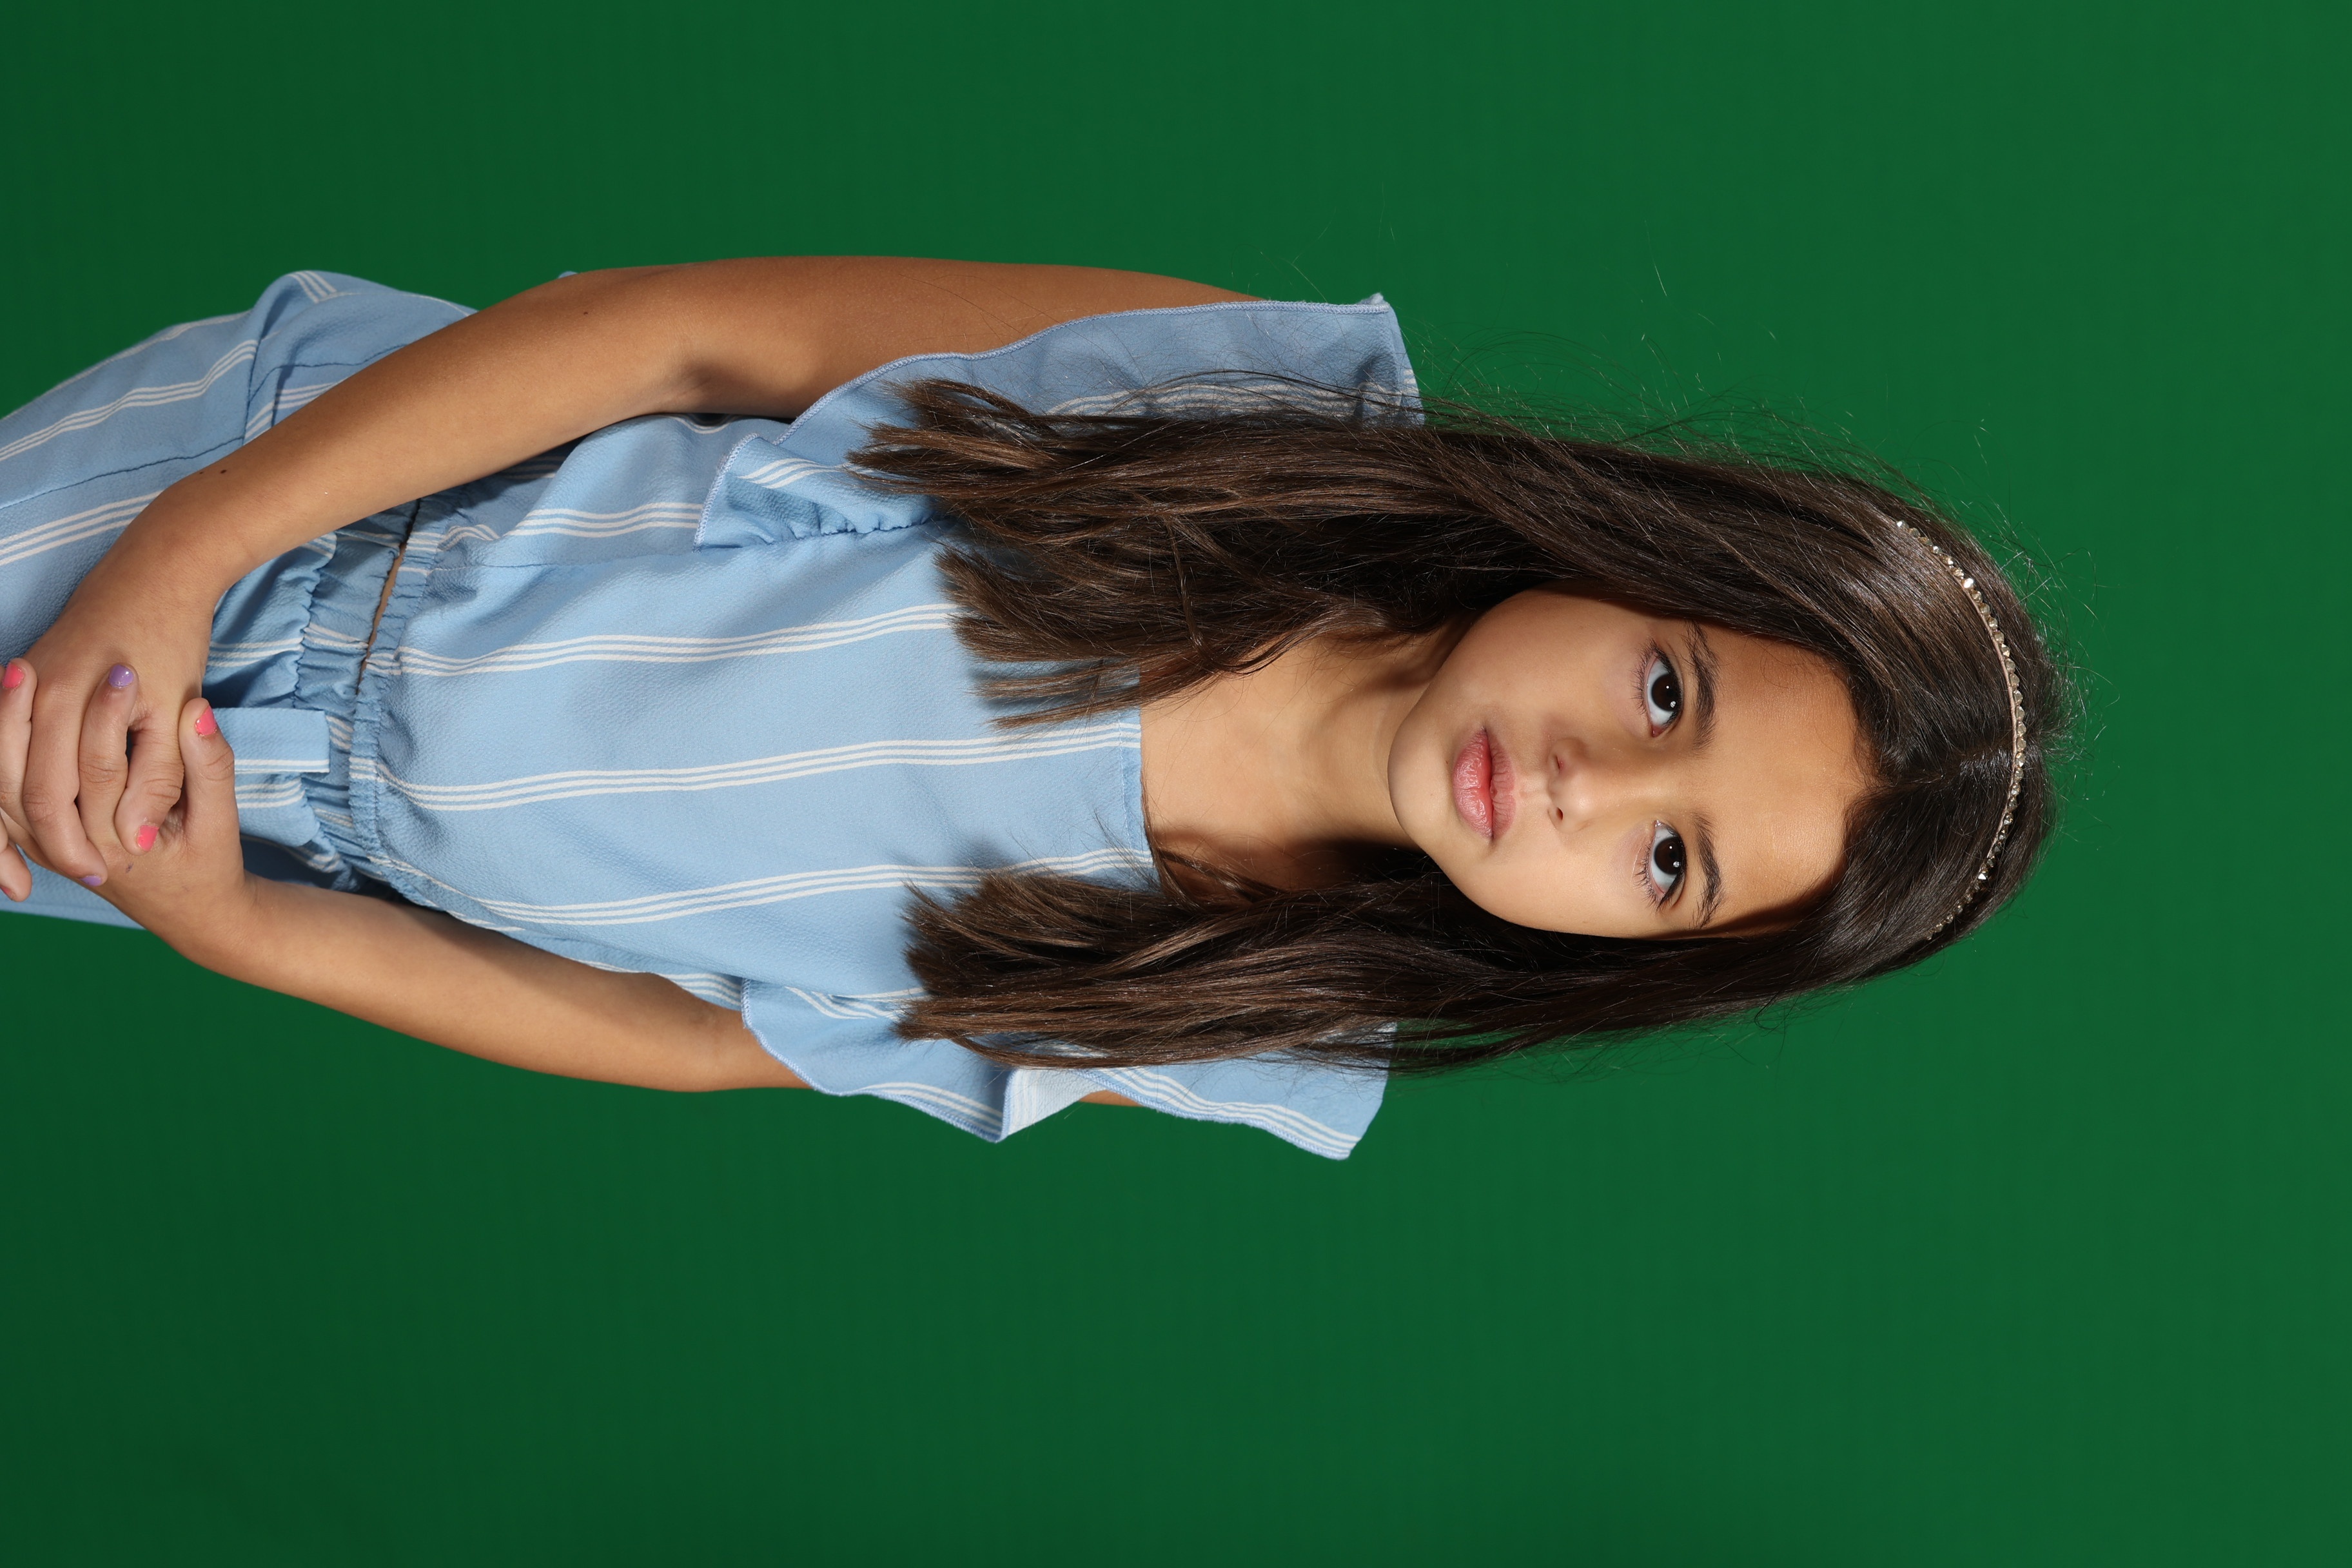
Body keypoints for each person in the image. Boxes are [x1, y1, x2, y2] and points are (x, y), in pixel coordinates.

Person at [0, 259, 2064, 1157]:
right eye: (1665, 687)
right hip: (273, 521)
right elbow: (676, 335)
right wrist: (185, 553)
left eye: (1669, 862)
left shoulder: (1257, 1020)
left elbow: (707, 1043)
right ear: (1638, 553)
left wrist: (242, 927)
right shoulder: (1267, 416)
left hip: (243, 830)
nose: (1588, 787)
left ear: (1644, 959)